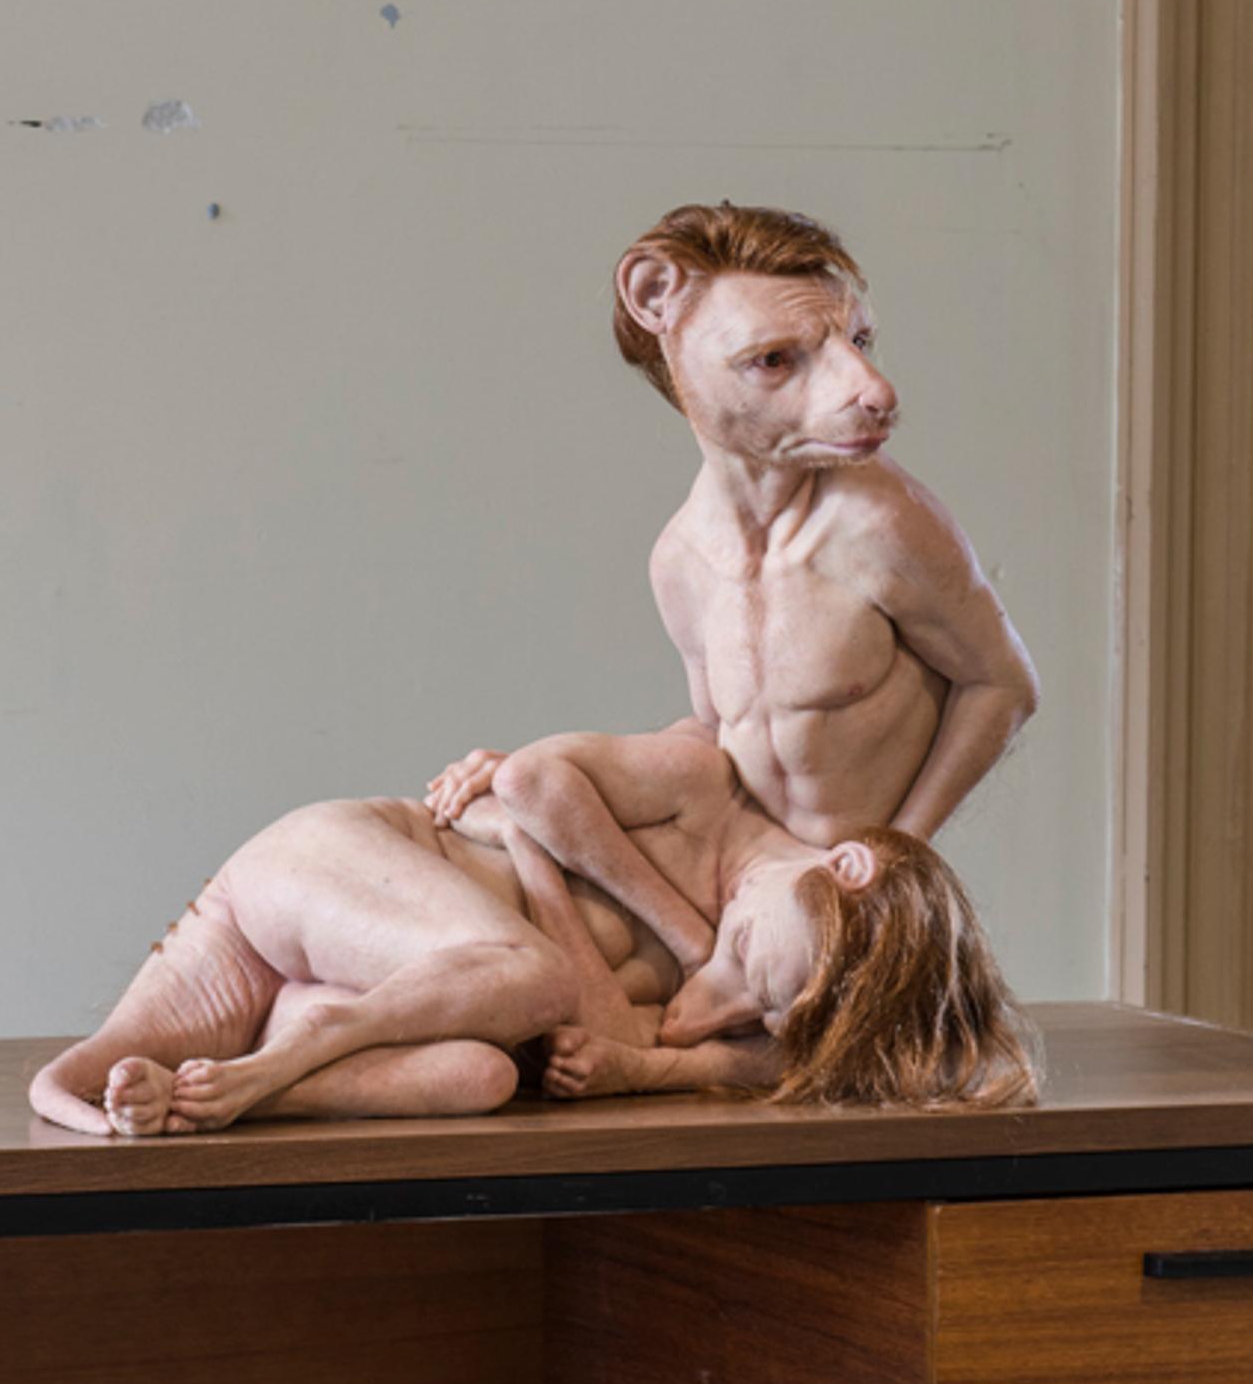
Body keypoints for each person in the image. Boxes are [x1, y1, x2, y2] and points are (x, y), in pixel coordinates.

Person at [426, 203, 1037, 976]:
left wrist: (895, 854)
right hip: (736, 884)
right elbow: (723, 741)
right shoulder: (679, 557)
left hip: (836, 910)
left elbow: (1004, 684)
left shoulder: (884, 524)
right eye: (777, 360)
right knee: (498, 915)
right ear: (659, 309)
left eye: (857, 342)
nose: (874, 389)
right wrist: (547, 765)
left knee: (544, 987)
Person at [29, 718, 1033, 1139]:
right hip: (322, 869)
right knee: (537, 978)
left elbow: (741, 1062)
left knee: (481, 1078)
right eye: (735, 955)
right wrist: (684, 938)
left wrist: (655, 1058)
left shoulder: (781, 986)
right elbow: (529, 784)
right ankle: (284, 1055)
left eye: (747, 1001)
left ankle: (248, 1082)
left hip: (365, 973)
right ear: (842, 867)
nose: (708, 1002)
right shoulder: (699, 787)